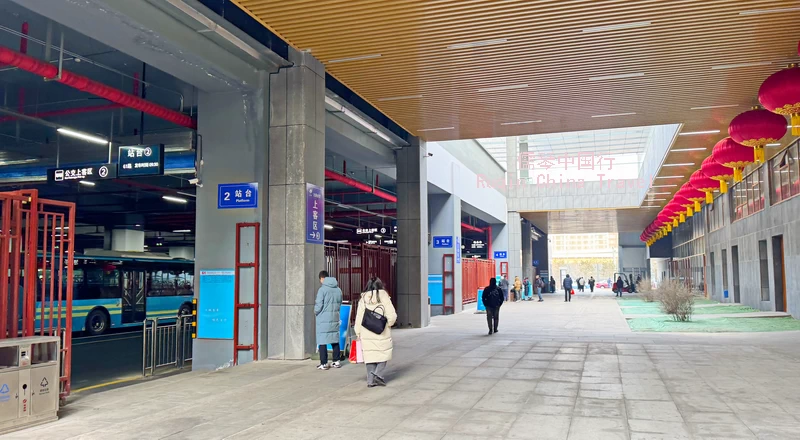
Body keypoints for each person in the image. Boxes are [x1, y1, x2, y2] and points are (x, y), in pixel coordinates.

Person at [354, 278, 397, 388]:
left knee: (369, 356)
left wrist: (357, 332)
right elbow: (392, 316)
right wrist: (389, 324)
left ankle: (370, 381)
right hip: (381, 331)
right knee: (383, 354)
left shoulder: (363, 299)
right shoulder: (384, 297)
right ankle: (378, 374)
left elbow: (359, 317)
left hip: (366, 331)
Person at [315, 270, 343, 370]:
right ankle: (336, 361)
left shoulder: (322, 290)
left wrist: (315, 311)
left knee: (322, 340)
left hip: (323, 318)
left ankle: (324, 363)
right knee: (334, 339)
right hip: (334, 317)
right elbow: (340, 303)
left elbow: (319, 305)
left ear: (322, 279)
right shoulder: (338, 289)